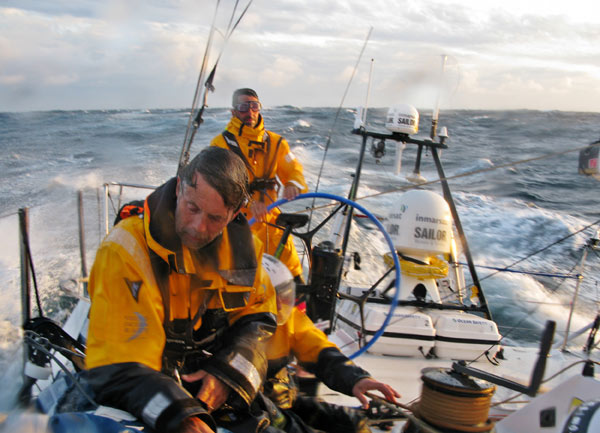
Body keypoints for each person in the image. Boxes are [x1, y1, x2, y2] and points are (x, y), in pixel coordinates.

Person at [85, 147, 278, 433]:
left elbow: (260, 319)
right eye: (192, 208)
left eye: (215, 218)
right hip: (148, 391)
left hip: (207, 382)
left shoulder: (245, 256)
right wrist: (182, 417)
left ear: (235, 214)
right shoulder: (123, 251)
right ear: (179, 188)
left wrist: (227, 375)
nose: (199, 227)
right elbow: (118, 365)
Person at [261, 254, 401, 433]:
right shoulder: (232, 325)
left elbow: (318, 349)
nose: (280, 305)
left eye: (283, 296)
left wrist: (356, 378)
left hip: (285, 400)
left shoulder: (289, 321)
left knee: (353, 424)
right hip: (253, 408)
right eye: (271, 298)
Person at [210, 88, 308, 281]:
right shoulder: (220, 145)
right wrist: (247, 203)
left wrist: (293, 183)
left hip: (271, 219)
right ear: (233, 112)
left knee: (292, 273)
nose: (250, 112)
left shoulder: (276, 142)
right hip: (236, 222)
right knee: (246, 279)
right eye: (243, 107)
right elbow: (218, 185)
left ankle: (298, 304)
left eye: (254, 106)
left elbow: (292, 167)